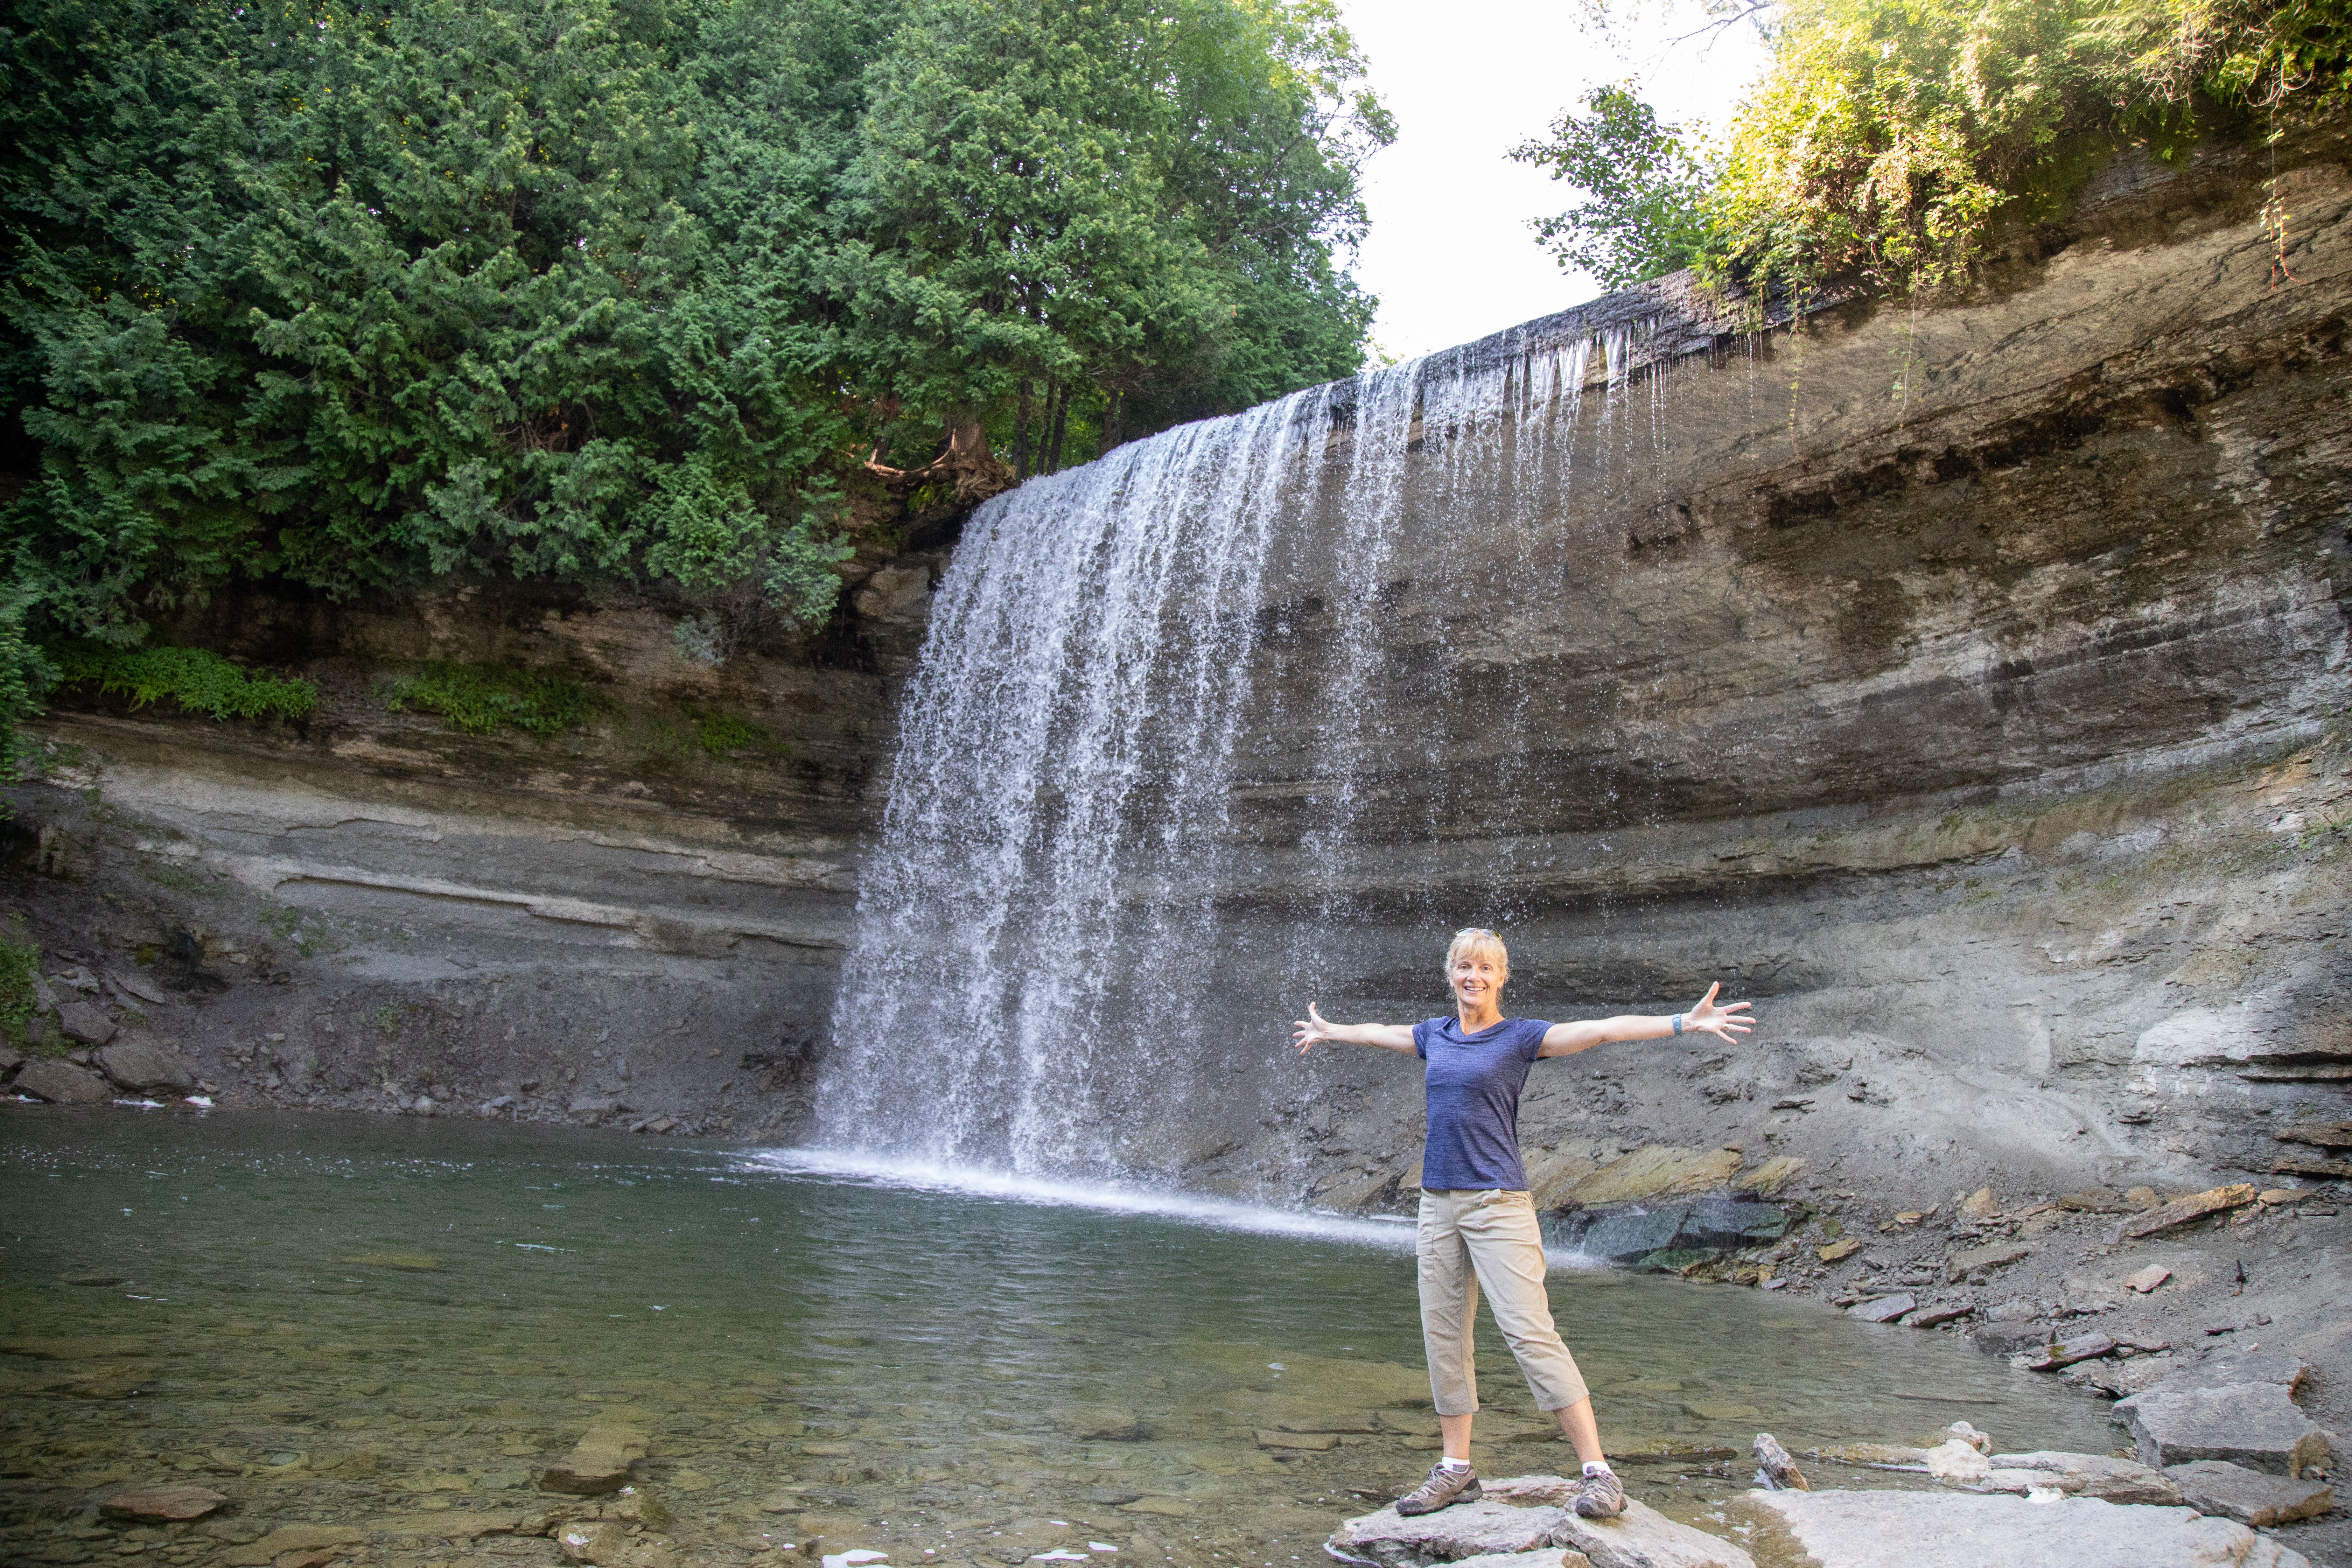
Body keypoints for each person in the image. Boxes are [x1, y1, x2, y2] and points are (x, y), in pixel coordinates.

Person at [1291, 927, 1753, 1519]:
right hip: (1438, 1205)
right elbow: (1384, 1036)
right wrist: (1333, 1031)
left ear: (1501, 977)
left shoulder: (1521, 1037)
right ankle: (1455, 1469)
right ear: (1451, 974)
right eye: (1464, 967)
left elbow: (1602, 1030)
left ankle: (1599, 1472)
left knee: (1530, 1333)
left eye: (1485, 968)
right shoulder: (1436, 1035)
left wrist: (1682, 1023)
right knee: (1444, 1339)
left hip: (1499, 1204)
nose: (1473, 977)